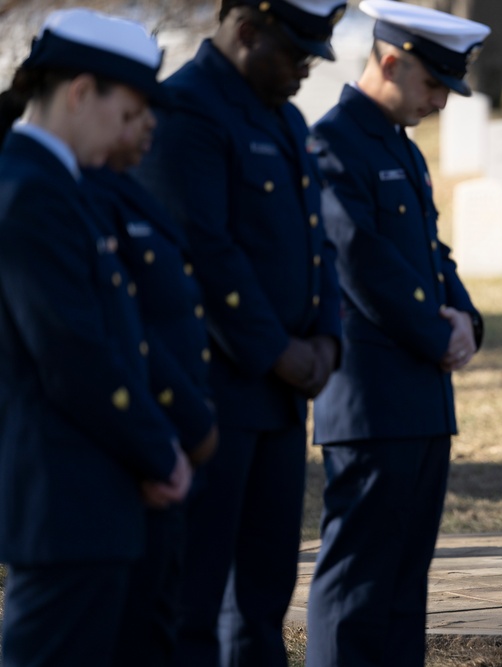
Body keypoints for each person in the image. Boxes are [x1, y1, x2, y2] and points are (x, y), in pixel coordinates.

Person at [134, 1, 346, 664]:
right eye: (294, 55)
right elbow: (204, 249)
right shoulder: (186, 111)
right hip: (216, 393)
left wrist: (328, 339)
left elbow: (320, 244)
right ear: (247, 31)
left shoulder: (283, 115)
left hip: (281, 398)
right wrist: (277, 349)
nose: (304, 72)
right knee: (197, 602)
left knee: (262, 596)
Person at [0, 9, 192, 666]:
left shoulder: (64, 185)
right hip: (64, 506)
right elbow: (72, 352)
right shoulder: (30, 190)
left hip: (95, 500)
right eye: (127, 111)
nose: (128, 134)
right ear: (81, 92)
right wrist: (158, 450)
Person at [306, 2, 488, 665]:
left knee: (405, 583)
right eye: (434, 84)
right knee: (357, 578)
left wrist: (466, 318)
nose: (441, 101)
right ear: (390, 61)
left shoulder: (396, 145)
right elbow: (359, 258)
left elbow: (430, 252)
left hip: (418, 395)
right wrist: (434, 332)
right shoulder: (334, 142)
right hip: (371, 398)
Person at [84, 98, 220, 667]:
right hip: (129, 457)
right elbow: (99, 343)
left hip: (168, 442)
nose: (149, 128)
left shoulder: (129, 187)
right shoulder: (68, 194)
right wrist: (175, 436)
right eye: (136, 113)